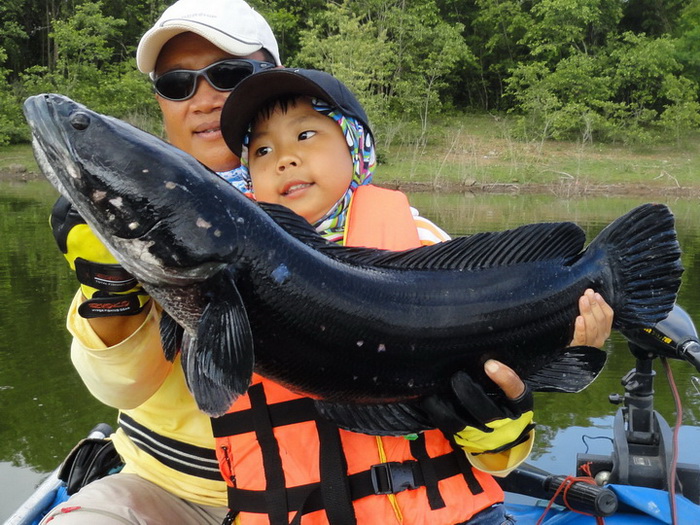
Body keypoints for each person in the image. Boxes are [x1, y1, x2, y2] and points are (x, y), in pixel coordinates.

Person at [208, 67, 615, 524]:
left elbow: (501, 462)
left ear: (356, 149)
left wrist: (502, 426)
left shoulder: (423, 244)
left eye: (305, 134)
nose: (284, 158)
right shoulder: (224, 277)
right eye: (262, 150)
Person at [41, 0, 281, 523]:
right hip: (162, 492)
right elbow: (119, 387)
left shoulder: (395, 236)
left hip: (324, 498)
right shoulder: (133, 227)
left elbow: (501, 456)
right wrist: (111, 294)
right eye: (178, 85)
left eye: (230, 74)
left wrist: (499, 433)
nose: (203, 99)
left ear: (276, 83)